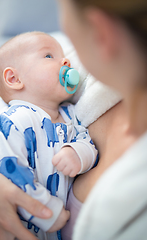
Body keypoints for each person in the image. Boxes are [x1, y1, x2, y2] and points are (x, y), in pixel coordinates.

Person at [0, 31, 98, 240]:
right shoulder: (13, 120)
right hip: (26, 227)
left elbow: (87, 141)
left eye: (62, 55)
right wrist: (46, 211)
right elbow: (12, 170)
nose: (66, 60)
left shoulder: (70, 113)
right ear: (14, 78)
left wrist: (78, 153)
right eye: (49, 56)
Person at [57, 0, 147, 239]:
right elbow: (19, 75)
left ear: (101, 33)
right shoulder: (98, 71)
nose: (62, 27)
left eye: (62, 10)